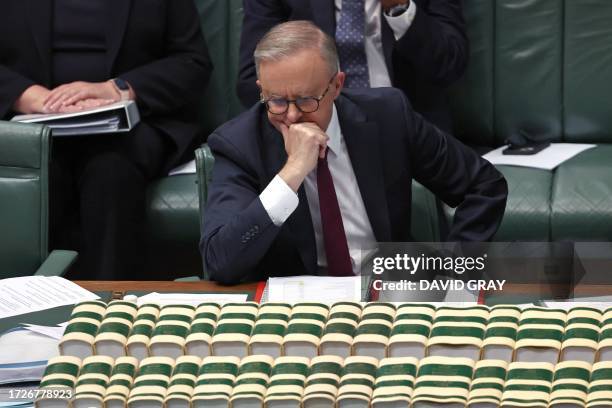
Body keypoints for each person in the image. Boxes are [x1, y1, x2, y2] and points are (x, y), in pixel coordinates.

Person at [201, 21, 506, 285]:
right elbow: (221, 262)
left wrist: (455, 274)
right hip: (298, 309)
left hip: (390, 294)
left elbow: (483, 186)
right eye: (277, 101)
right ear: (261, 89)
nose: (291, 116)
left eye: (307, 100)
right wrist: (291, 174)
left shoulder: (388, 115)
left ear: (336, 85)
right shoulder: (238, 144)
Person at [0, 0, 212, 279]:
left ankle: (111, 305)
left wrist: (117, 89)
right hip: (30, 124)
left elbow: (192, 63)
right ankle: (27, 308)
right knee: (40, 170)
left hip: (133, 126)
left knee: (111, 170)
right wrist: (29, 96)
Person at [237, 0, 468, 132]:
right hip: (313, 126)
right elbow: (251, 79)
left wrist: (399, 7)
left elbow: (450, 64)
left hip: (407, 129)